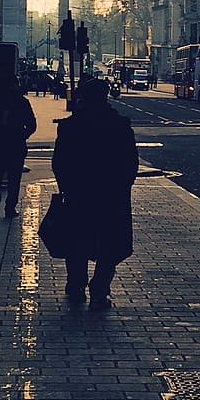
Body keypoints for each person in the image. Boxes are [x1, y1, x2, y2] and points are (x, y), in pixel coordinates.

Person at [52, 76, 138, 310]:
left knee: (76, 241)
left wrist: (66, 187)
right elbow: (130, 162)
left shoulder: (70, 126)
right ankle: (99, 290)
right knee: (110, 243)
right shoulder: (120, 125)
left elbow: (59, 162)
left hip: (79, 193)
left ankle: (76, 285)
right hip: (111, 195)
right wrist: (122, 187)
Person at [0, 73, 37, 218]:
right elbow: (32, 124)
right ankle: (10, 207)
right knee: (14, 179)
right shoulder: (22, 102)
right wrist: (22, 135)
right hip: (15, 144)